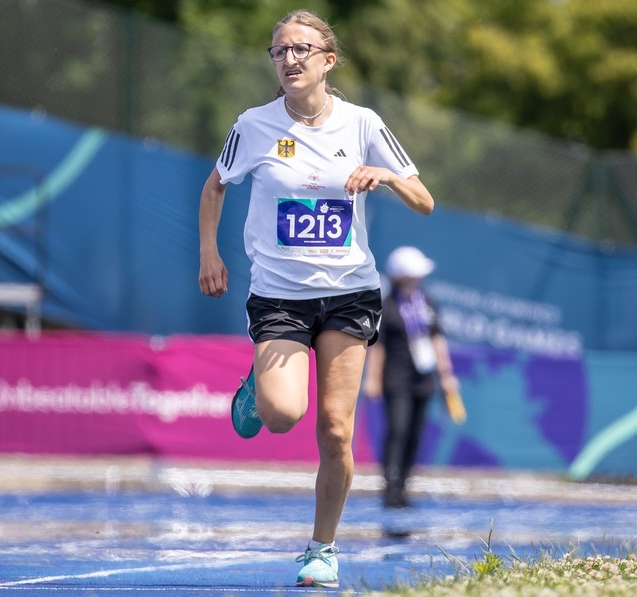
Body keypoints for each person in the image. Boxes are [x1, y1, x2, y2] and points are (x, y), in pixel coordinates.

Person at [197, 9, 435, 589]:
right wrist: (209, 253)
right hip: (280, 295)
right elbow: (215, 186)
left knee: (335, 427)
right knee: (282, 416)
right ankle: (261, 386)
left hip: (350, 291)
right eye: (279, 51)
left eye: (302, 49)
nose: (289, 59)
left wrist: (383, 175)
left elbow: (424, 200)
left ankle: (321, 549)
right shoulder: (253, 125)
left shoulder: (362, 123)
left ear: (328, 60)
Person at [362, 246, 461, 509]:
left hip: (423, 379)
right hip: (395, 379)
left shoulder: (426, 303)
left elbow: (437, 339)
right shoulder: (387, 306)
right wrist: (372, 379)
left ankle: (404, 485)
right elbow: (378, 346)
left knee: (415, 434)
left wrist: (447, 375)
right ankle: (390, 486)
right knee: (397, 430)